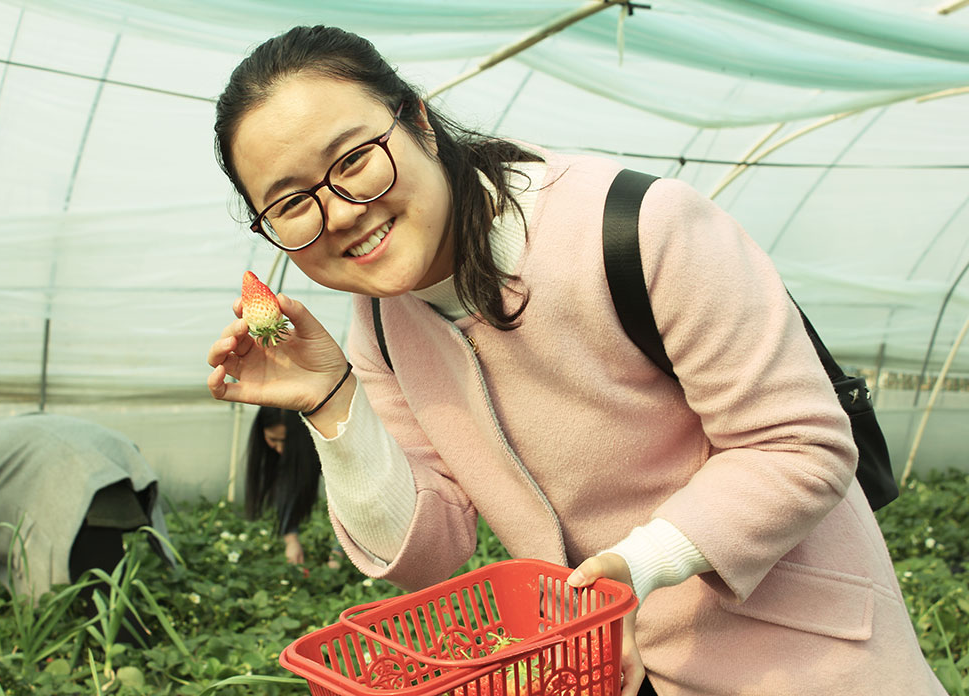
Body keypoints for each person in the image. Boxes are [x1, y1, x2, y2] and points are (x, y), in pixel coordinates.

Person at [205, 25, 945, 695]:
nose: (340, 211)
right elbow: (430, 553)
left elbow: (798, 444)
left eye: (355, 160)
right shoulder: (380, 325)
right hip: (606, 668)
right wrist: (332, 399)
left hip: (802, 660)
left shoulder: (637, 228)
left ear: (420, 122)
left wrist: (638, 566)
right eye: (291, 203)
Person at [0, 413, 175, 618]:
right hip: (110, 461)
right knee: (104, 588)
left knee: (104, 608)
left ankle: (123, 637)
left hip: (74, 479)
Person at [243, 406, 327, 566]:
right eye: (273, 439)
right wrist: (291, 540)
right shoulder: (282, 456)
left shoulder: (326, 440)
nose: (280, 449)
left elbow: (350, 500)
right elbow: (287, 488)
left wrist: (338, 552)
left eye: (286, 441)